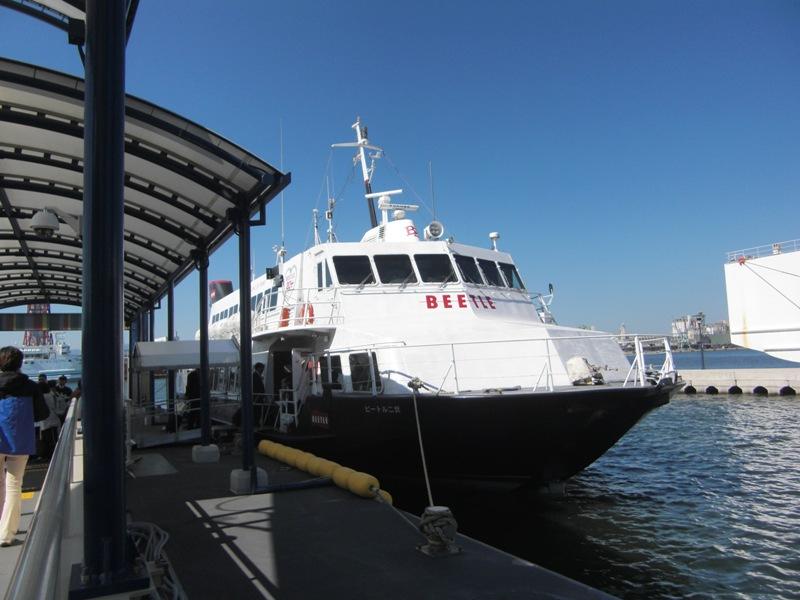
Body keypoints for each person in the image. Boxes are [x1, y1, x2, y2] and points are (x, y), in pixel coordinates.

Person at [0, 347, 50, 547]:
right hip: (19, 439)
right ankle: (6, 533)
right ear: (20, 364)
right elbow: (43, 414)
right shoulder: (30, 386)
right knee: (14, 484)